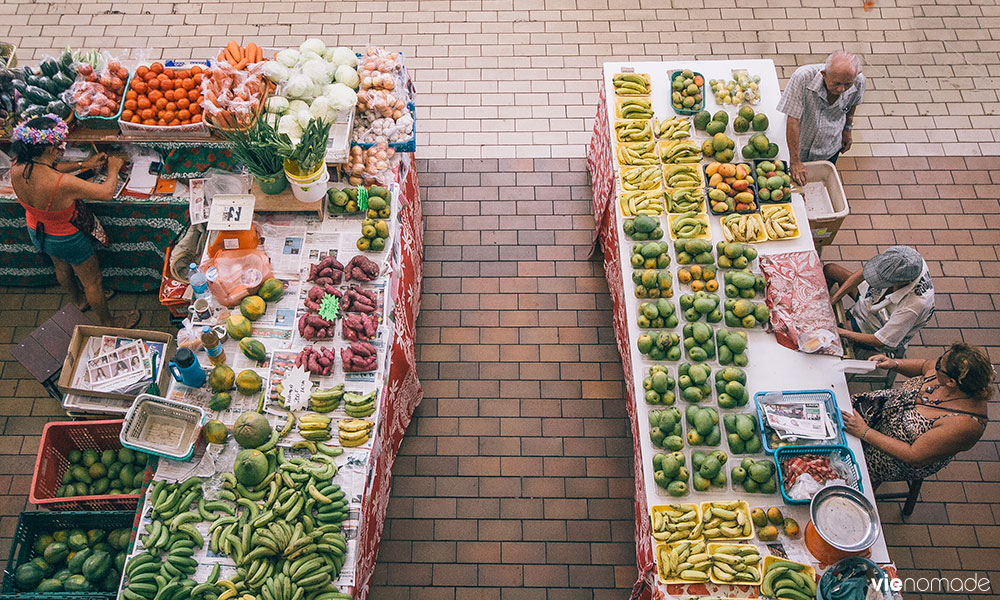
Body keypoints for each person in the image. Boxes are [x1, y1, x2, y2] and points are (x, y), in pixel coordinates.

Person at [10, 115, 139, 327]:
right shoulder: (60, 184)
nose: (61, 148)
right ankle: (108, 322)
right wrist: (114, 168)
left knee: (61, 267)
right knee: (93, 282)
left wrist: (83, 164)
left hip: (38, 229)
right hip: (66, 238)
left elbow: (48, 168)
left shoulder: (19, 166)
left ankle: (78, 301)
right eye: (58, 145)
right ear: (50, 149)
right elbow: (106, 192)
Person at [843, 344, 992, 489]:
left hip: (891, 455)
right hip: (880, 407)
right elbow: (924, 365)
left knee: (843, 467)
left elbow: (913, 455)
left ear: (951, 382)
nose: (936, 365)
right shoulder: (947, 370)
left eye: (939, 365)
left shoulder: (964, 424)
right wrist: (895, 363)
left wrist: (864, 432)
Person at [777, 50, 865, 185]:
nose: (842, 89)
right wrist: (795, 161)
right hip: (799, 145)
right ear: (824, 74)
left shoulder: (858, 81)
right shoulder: (802, 78)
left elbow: (852, 105)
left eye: (847, 84)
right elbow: (793, 120)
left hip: (829, 146)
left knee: (818, 182)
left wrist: (847, 130)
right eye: (837, 83)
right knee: (793, 183)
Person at [826, 246, 933, 355]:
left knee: (836, 330)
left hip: (876, 326)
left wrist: (839, 331)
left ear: (905, 282)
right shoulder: (906, 258)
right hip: (871, 299)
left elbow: (880, 341)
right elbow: (866, 271)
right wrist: (834, 299)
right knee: (831, 269)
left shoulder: (912, 307)